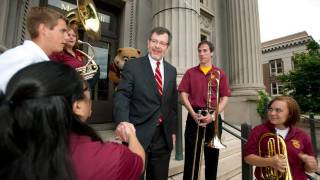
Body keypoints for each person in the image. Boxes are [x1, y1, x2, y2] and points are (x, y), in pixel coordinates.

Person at [0, 61, 144, 180]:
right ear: (77, 106)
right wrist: (131, 134)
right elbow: (139, 161)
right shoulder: (106, 158)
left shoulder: (10, 143)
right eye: (87, 90)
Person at [113, 26, 178, 180]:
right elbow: (122, 95)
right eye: (154, 41)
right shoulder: (132, 66)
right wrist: (123, 122)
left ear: (167, 47)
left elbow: (173, 104)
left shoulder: (171, 70)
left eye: (162, 43)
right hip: (137, 134)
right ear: (148, 43)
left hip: (163, 136)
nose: (157, 46)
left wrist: (173, 131)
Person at [178, 40, 231, 180]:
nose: (201, 53)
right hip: (194, 115)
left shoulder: (220, 73)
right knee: (191, 157)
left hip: (213, 117)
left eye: (205, 50)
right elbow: (183, 94)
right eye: (199, 51)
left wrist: (213, 116)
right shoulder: (190, 73)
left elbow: (225, 97)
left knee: (212, 159)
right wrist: (192, 113)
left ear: (211, 52)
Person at [244, 96, 318, 180]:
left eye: (278, 110)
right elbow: (248, 158)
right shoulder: (258, 130)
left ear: (290, 114)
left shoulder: (302, 135)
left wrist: (310, 164)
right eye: (270, 109)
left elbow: (311, 169)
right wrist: (269, 161)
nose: (272, 113)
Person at [0, 6, 68, 92]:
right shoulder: (25, 58)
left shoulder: (31, 58)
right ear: (43, 29)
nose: (66, 37)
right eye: (62, 31)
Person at [49, 24, 99, 92]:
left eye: (74, 36)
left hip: (80, 88)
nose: (71, 37)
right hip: (66, 89)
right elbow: (52, 72)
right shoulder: (58, 52)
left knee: (97, 68)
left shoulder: (78, 53)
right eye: (69, 35)